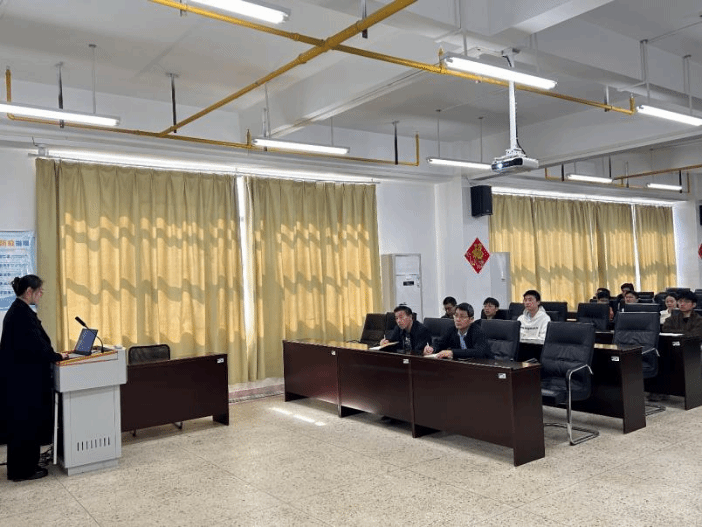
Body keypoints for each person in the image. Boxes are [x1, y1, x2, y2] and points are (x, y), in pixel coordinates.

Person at [0, 275, 69, 482]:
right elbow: (37, 347)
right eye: (39, 292)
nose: (41, 295)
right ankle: (23, 471)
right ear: (29, 291)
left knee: (23, 426)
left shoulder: (18, 311)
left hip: (20, 381)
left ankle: (24, 466)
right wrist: (57, 356)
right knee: (25, 426)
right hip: (24, 383)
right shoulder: (21, 315)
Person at [423, 302, 490, 359]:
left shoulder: (478, 331)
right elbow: (440, 343)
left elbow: (478, 352)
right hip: (461, 364)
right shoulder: (452, 329)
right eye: (456, 315)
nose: (458, 319)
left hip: (483, 365)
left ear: (471, 319)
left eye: (462, 316)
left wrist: (453, 352)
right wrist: (432, 348)